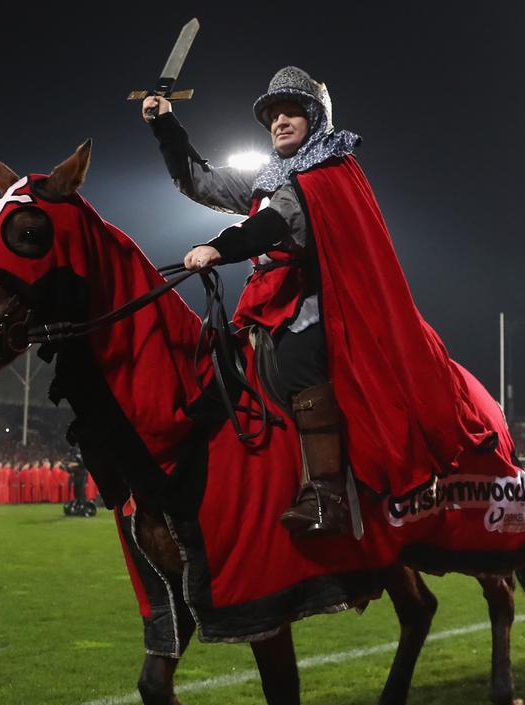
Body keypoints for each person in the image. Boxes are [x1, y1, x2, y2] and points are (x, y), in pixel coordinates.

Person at [144, 66, 493, 538]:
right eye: (273, 115)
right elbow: (199, 182)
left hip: (317, 300)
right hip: (265, 299)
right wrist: (165, 125)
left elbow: (276, 225)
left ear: (314, 117)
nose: (280, 122)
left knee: (296, 359)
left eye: (292, 113)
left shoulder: (326, 171)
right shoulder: (269, 175)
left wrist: (219, 248)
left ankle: (327, 493)